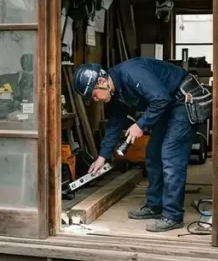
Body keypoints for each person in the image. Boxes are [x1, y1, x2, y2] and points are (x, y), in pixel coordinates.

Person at [74, 57, 196, 232]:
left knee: (170, 157)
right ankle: (154, 206)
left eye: (93, 95)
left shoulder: (132, 73)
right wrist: (102, 157)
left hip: (182, 101)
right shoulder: (117, 92)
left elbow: (161, 98)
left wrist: (140, 124)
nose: (95, 100)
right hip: (166, 105)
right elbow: (114, 125)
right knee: (153, 155)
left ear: (101, 81)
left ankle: (172, 215)